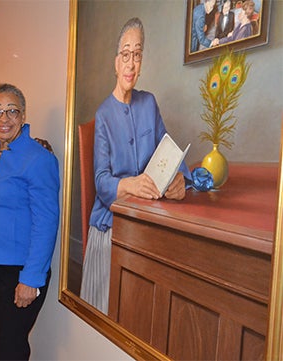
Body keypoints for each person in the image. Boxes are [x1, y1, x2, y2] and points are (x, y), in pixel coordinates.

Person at [80, 18, 192, 314]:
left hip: (148, 219)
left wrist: (182, 178)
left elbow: (168, 152)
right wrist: (129, 184)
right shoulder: (103, 114)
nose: (131, 63)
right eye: (125, 54)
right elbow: (101, 181)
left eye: (137, 54)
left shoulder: (149, 103)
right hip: (111, 225)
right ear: (115, 62)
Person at [0, 83, 59, 360]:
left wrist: (31, 278)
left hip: (17, 271)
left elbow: (46, 223)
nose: (3, 119)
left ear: (23, 115)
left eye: (11, 111)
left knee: (10, 349)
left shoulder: (39, 158)